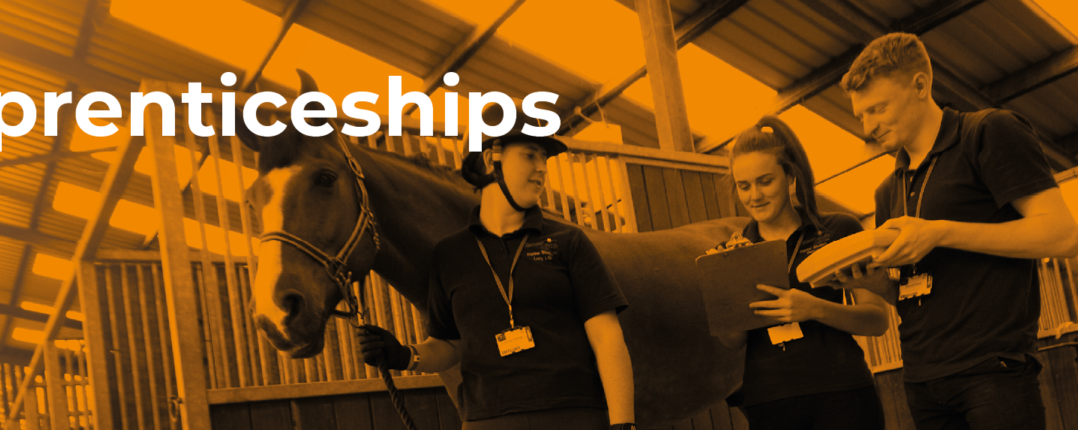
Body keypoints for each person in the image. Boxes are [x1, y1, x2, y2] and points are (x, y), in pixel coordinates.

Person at [823, 33, 1078, 430]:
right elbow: (916, 292)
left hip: (992, 370)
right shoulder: (888, 189)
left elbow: (1062, 235)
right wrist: (877, 285)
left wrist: (940, 233)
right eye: (861, 115)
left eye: (878, 108)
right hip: (922, 379)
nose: (869, 126)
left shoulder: (987, 132)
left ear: (920, 85)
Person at [355, 130, 637, 430]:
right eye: (530, 155)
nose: (542, 168)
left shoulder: (569, 242)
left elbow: (607, 338)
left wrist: (624, 423)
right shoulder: (449, 255)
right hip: (485, 419)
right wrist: (404, 355)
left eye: (544, 159)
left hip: (573, 415)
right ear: (492, 159)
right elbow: (448, 344)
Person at [706, 117, 890, 430]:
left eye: (765, 181)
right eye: (744, 186)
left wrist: (814, 309)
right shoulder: (731, 251)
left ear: (790, 176)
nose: (754, 196)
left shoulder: (839, 229)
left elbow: (877, 320)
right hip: (769, 402)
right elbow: (732, 342)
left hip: (842, 393)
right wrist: (723, 297)